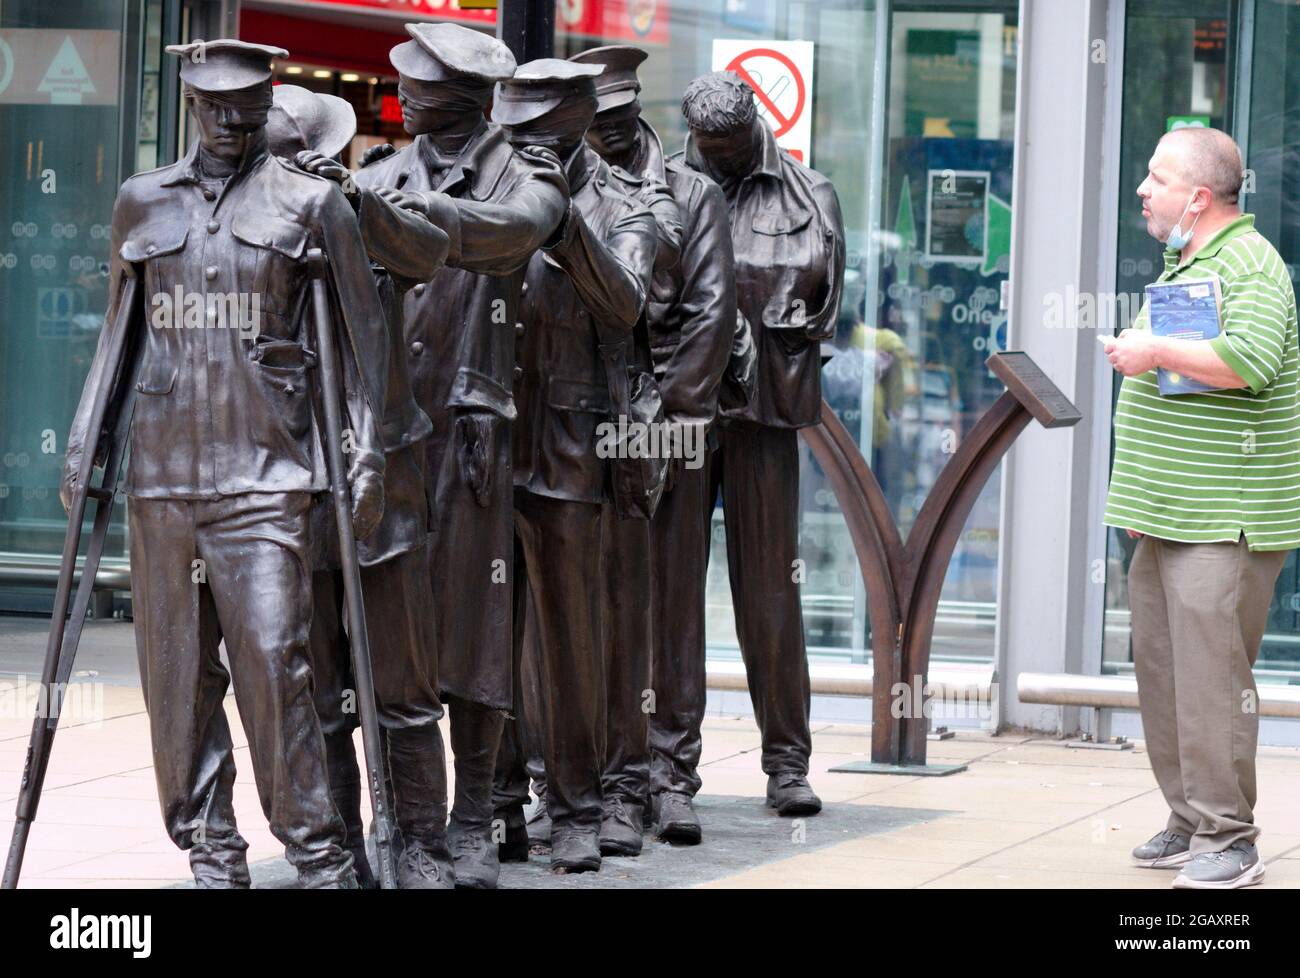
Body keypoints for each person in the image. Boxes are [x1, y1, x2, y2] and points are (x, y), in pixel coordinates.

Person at [61, 40, 390, 888]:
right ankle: (210, 845)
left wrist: (366, 454)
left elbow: (365, 345)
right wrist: (86, 441)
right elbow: (119, 336)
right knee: (177, 682)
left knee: (276, 664)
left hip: (268, 474)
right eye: (218, 113)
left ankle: (318, 850)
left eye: (248, 115)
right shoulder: (141, 202)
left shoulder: (312, 203)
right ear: (192, 107)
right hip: (163, 476)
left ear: (266, 108)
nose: (233, 129)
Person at [353, 22, 568, 889]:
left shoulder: (527, 174)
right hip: (392, 429)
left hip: (478, 428)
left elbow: (512, 235)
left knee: (478, 629)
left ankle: (475, 815)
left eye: (422, 83)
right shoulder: (382, 174)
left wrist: (417, 218)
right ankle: (402, 818)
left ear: (466, 96)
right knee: (389, 628)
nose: (403, 93)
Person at [268, 83, 458, 889]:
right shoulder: (254, 225)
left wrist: (353, 202)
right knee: (315, 683)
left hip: (383, 464)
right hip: (289, 471)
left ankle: (419, 842)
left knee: (402, 678)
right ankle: (338, 842)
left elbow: (428, 253)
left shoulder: (366, 201)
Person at [1102, 126, 1299, 889]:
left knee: (1213, 682)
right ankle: (1189, 819)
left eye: (1157, 178)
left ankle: (1231, 838)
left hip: (1224, 517)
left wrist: (1152, 350)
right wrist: (1141, 497)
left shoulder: (1251, 263)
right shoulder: (1188, 262)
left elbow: (1249, 361)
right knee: (1163, 674)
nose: (1143, 190)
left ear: (1199, 196)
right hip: (1168, 514)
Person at [491, 58, 657, 873]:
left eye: (536, 137)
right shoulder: (488, 188)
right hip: (487, 440)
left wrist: (563, 225)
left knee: (569, 643)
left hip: (572, 446)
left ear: (572, 131)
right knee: (484, 635)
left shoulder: (627, 204)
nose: (519, 148)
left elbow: (625, 303)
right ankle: (492, 806)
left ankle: (577, 810)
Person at [570, 45, 738, 848]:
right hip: (583, 424)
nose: (607, 132)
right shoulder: (567, 189)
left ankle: (670, 775)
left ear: (637, 110)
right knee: (592, 607)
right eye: (593, 121)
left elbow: (710, 314)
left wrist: (661, 422)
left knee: (671, 610)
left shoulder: (692, 194)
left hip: (668, 425)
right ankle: (599, 779)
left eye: (618, 117)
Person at [674, 71, 845, 817]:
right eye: (708, 146)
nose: (721, 156)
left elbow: (824, 306)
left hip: (766, 412)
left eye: (732, 143)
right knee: (670, 592)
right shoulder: (666, 186)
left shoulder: (810, 195)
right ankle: (668, 770)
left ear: (753, 127)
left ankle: (787, 762)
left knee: (771, 592)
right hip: (680, 412)